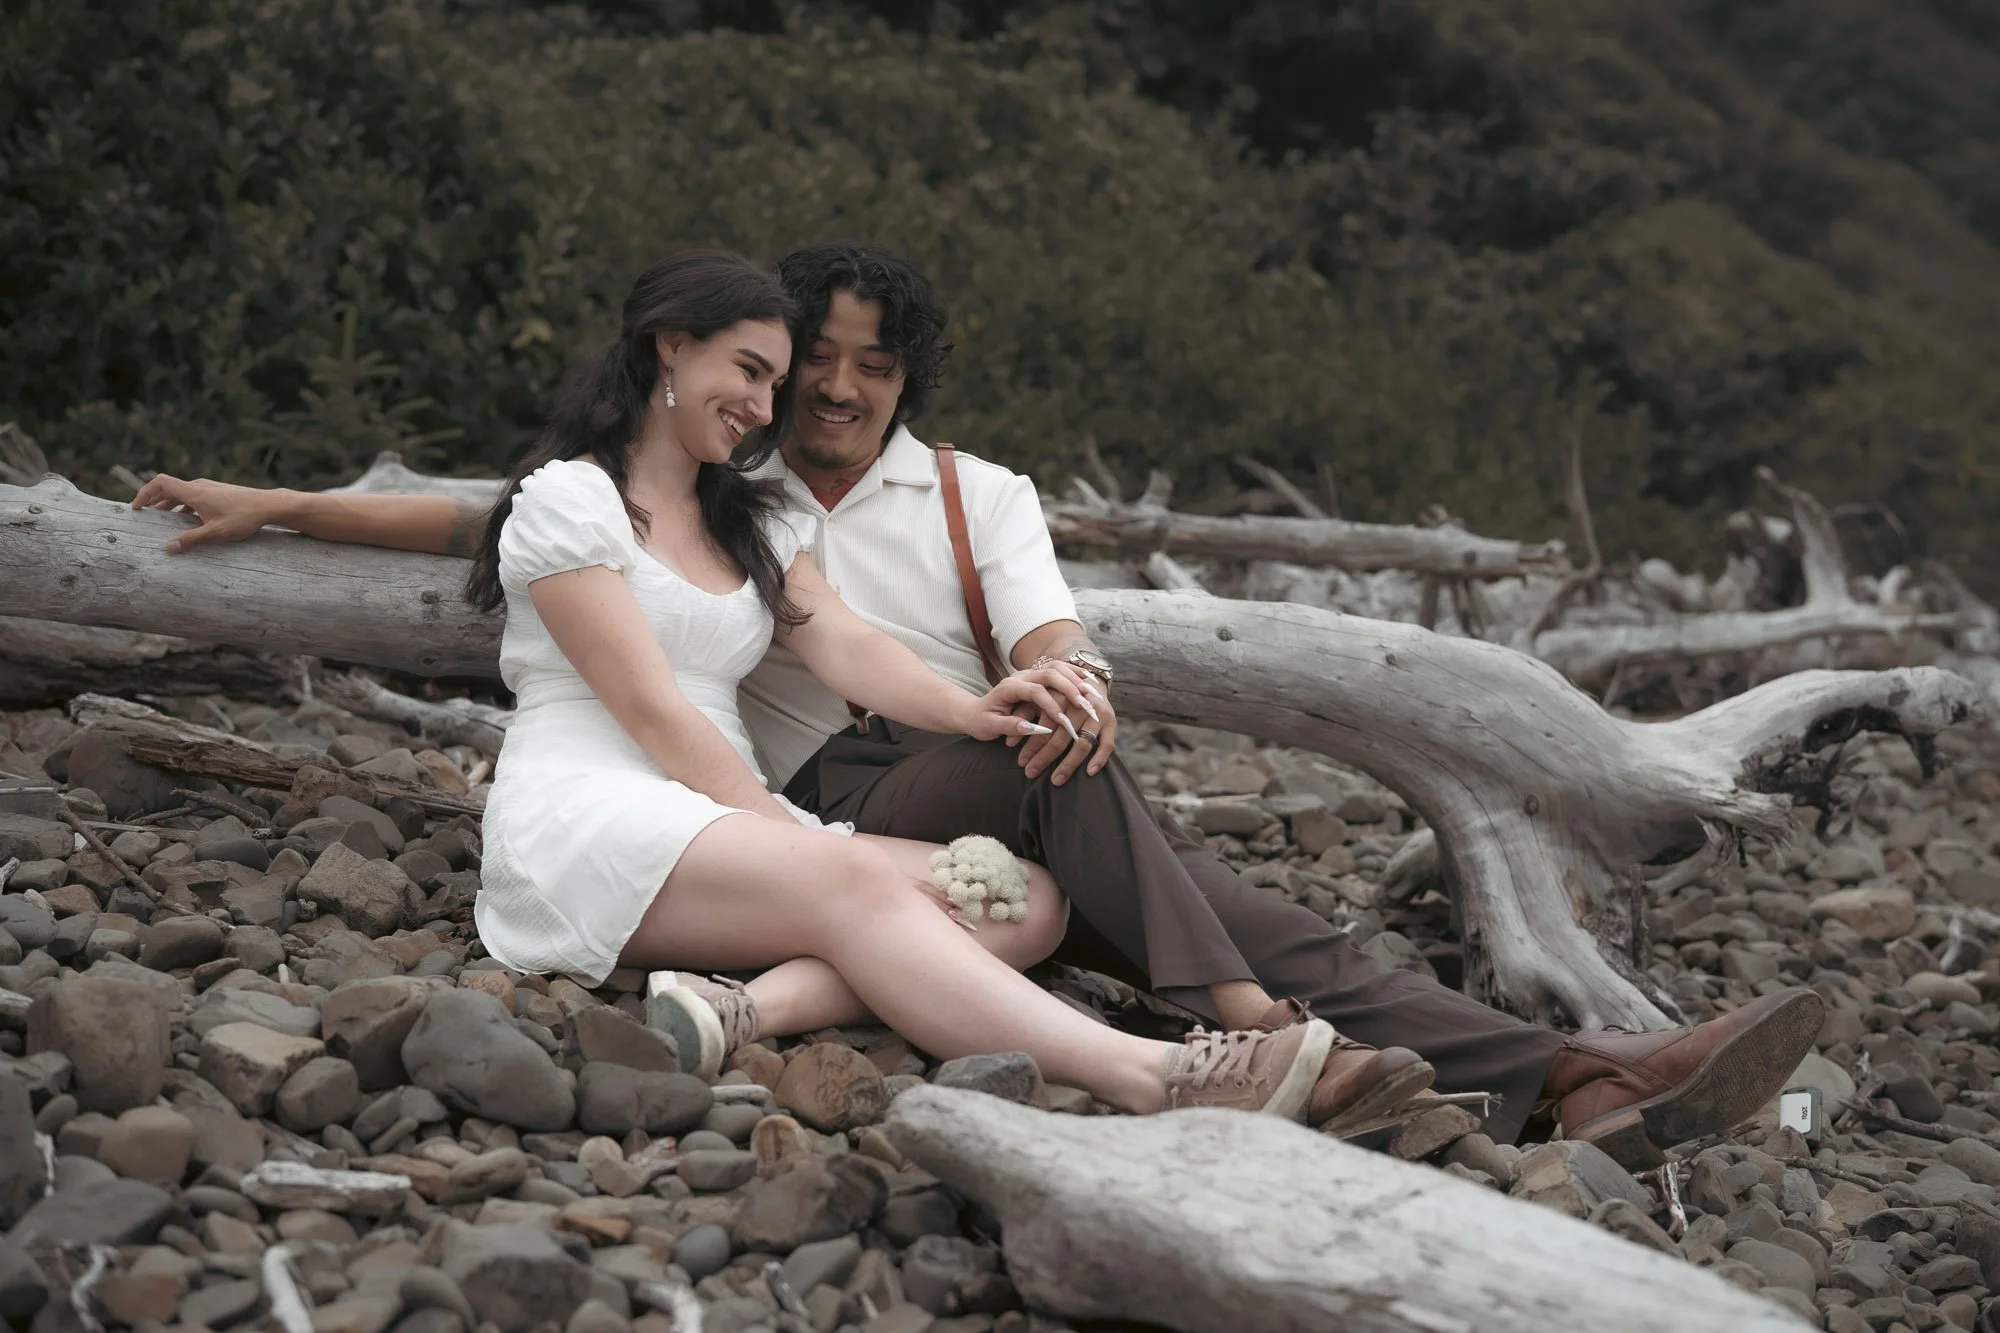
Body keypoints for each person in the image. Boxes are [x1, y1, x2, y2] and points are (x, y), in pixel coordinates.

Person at [134, 243, 1823, 1163]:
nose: (822, 394)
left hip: (943, 778)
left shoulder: (956, 497)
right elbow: (486, 519)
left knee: (1066, 769)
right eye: (794, 368)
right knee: (1082, 820)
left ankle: (1530, 1067)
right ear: (689, 356)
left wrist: (1034, 690)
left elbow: (1028, 636)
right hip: (788, 807)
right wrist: (281, 504)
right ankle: (1327, 1039)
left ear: (904, 375)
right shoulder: (693, 486)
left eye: (849, 368)